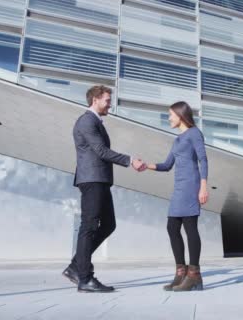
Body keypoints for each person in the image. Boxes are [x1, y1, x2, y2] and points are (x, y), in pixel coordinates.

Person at [63, 85, 146, 293]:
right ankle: (84, 278)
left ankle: (76, 266)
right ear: (95, 100)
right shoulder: (86, 121)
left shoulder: (94, 121)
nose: (110, 103)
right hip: (92, 179)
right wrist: (129, 160)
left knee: (108, 224)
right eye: (107, 100)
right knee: (89, 226)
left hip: (99, 179)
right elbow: (101, 151)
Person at [143, 101, 209, 291]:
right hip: (179, 187)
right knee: (172, 227)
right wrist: (146, 165)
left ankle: (194, 275)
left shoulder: (194, 133)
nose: (169, 118)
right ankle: (181, 272)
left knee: (190, 228)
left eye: (171, 114)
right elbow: (166, 165)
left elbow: (203, 159)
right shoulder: (177, 140)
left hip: (191, 185)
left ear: (180, 115)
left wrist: (203, 186)